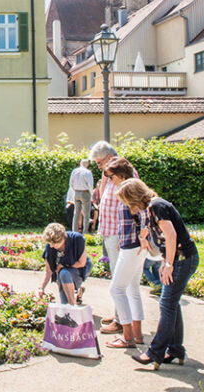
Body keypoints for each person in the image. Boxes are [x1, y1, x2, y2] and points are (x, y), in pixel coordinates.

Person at [118, 179, 199, 370]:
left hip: (183, 259)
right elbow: (164, 240)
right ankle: (176, 350)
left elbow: (171, 236)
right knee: (172, 303)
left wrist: (169, 263)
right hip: (180, 258)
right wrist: (165, 261)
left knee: (167, 304)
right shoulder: (153, 208)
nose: (130, 207)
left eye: (128, 202)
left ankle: (155, 353)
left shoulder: (157, 206)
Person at [101, 157, 148, 348]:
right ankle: (137, 335)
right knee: (133, 289)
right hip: (136, 246)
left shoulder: (128, 189)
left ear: (120, 175)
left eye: (111, 177)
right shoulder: (132, 186)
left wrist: (140, 237)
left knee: (116, 289)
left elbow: (143, 215)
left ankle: (127, 336)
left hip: (131, 246)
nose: (110, 181)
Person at [89, 140, 122, 330]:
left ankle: (121, 320)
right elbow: (101, 197)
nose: (99, 166)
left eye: (100, 163)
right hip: (110, 232)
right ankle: (119, 314)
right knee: (115, 274)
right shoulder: (109, 175)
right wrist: (104, 173)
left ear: (109, 158)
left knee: (119, 278)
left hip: (119, 233)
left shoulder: (123, 173)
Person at [40, 223, 93, 306]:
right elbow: (48, 271)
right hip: (63, 273)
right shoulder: (50, 246)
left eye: (55, 244)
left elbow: (82, 263)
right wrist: (42, 288)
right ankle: (77, 291)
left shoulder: (76, 239)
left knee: (64, 272)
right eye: (50, 244)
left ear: (63, 238)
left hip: (80, 268)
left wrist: (63, 265)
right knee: (64, 304)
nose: (52, 246)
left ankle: (72, 306)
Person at [69, 159, 94, 234]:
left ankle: (74, 230)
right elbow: (90, 185)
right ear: (87, 164)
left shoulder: (74, 171)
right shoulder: (88, 172)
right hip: (85, 192)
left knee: (76, 213)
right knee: (86, 214)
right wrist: (91, 194)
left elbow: (71, 184)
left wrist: (75, 190)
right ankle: (85, 231)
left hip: (76, 192)